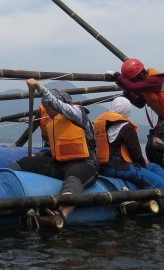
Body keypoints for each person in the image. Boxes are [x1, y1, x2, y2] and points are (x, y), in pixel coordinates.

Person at [11, 78, 98, 227]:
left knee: (73, 179)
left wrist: (39, 87)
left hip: (85, 164)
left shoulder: (77, 113)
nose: (48, 112)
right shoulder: (55, 122)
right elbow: (56, 151)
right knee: (27, 162)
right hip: (61, 164)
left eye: (49, 108)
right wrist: (37, 157)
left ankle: (60, 215)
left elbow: (56, 104)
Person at [93, 96, 164, 216]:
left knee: (155, 167)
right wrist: (142, 165)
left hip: (104, 167)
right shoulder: (126, 127)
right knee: (162, 187)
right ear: (127, 110)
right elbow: (136, 154)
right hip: (119, 168)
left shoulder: (100, 126)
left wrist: (145, 165)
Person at [113, 57, 164, 176]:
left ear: (140, 74)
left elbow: (133, 87)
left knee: (152, 148)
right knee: (151, 151)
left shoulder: (155, 80)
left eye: (133, 80)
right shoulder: (144, 85)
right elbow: (139, 103)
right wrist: (126, 90)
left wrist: (118, 78)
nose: (133, 82)